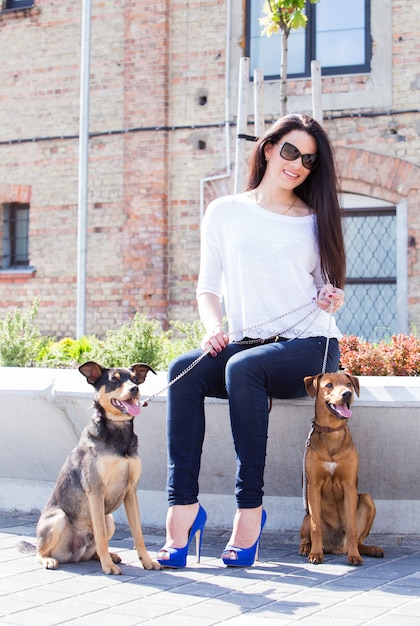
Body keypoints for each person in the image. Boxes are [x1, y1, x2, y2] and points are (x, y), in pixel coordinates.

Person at [157, 113, 346, 568]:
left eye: (308, 159)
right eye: (289, 151)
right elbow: (208, 286)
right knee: (183, 372)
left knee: (244, 367)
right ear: (267, 149)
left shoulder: (315, 218)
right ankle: (183, 509)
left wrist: (329, 295)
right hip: (248, 345)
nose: (297, 164)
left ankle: (250, 512)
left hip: (310, 346)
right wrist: (211, 327)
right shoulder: (225, 211)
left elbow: (328, 288)